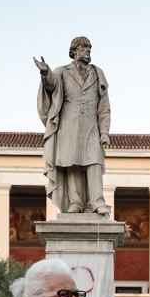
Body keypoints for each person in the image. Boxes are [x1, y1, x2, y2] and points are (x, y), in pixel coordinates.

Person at [34, 36, 111, 215]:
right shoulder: (62, 72)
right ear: (74, 51)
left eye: (89, 48)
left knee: (94, 162)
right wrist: (45, 73)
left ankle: (97, 201)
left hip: (91, 127)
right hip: (68, 127)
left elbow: (104, 107)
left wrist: (105, 132)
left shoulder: (98, 74)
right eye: (84, 48)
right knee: (72, 164)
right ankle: (75, 202)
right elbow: (52, 85)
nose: (87, 51)